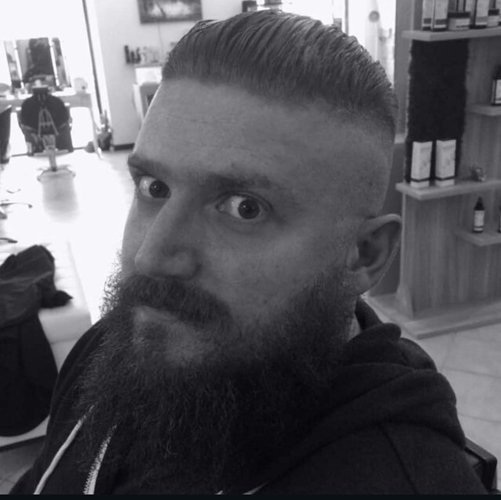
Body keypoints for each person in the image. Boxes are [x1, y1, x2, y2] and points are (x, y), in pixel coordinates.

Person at [10, 10, 487, 495]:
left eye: (245, 208)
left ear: (364, 255)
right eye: (154, 187)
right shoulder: (123, 344)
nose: (150, 258)